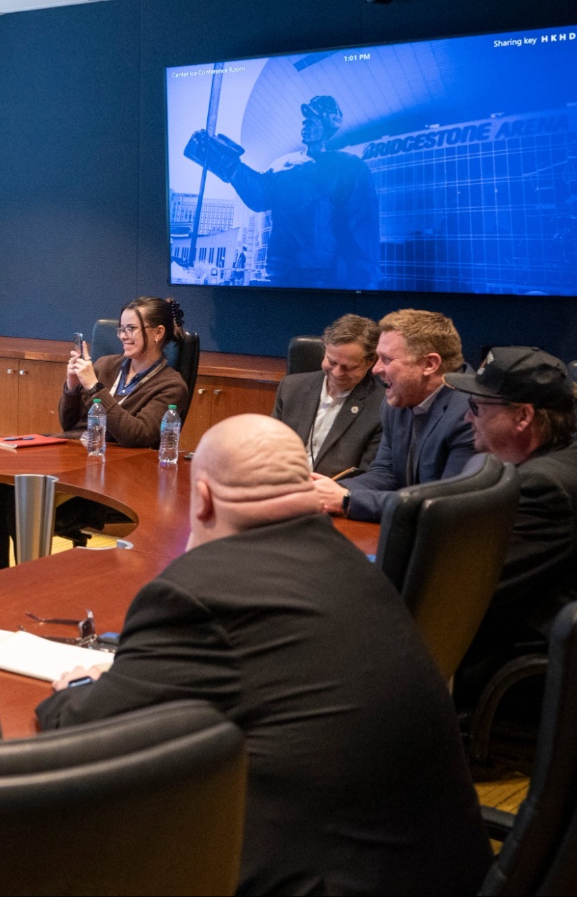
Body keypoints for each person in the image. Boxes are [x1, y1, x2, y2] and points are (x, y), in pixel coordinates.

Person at [36, 415, 489, 895]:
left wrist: (81, 685)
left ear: (204, 497)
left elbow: (87, 734)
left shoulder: (198, 593)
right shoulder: (351, 563)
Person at [0, 296, 191, 573]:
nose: (123, 336)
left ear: (158, 333)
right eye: (121, 329)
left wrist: (95, 387)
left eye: (131, 329)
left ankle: (26, 586)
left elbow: (138, 435)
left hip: (110, 477)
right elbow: (70, 423)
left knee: (21, 503)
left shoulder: (171, 385)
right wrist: (73, 386)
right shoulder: (107, 365)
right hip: (71, 458)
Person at [448, 347, 577, 704]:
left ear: (523, 416)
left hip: (538, 665)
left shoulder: (545, 487)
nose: (468, 420)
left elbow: (472, 588)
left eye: (478, 409)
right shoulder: (564, 461)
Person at [185, 93, 380, 289]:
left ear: (328, 125)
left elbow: (362, 229)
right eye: (306, 120)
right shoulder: (282, 166)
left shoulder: (349, 167)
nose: (306, 124)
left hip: (323, 277)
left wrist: (362, 282)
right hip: (279, 272)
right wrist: (229, 165)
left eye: (314, 120)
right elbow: (260, 196)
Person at [311, 309, 476, 522]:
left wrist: (347, 499)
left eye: (386, 359)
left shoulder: (474, 414)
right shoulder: (398, 400)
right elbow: (385, 473)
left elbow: (446, 505)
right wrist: (329, 491)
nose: (375, 369)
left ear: (429, 364)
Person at [272, 313, 384, 476]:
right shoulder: (291, 387)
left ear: (370, 361)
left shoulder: (382, 407)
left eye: (347, 367)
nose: (337, 373)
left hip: (334, 494)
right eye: (331, 362)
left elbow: (369, 475)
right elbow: (269, 445)